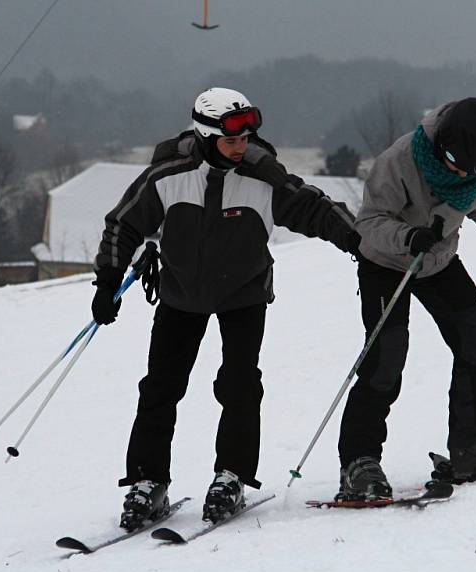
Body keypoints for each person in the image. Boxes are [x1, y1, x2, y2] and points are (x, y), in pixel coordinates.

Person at [91, 87, 360, 527]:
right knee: (160, 387)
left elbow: (316, 209)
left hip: (244, 293)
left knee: (238, 383)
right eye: (232, 140)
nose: (242, 147)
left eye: (247, 138)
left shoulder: (263, 176)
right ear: (205, 135)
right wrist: (107, 281)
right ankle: (148, 482)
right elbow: (122, 223)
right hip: (180, 294)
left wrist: (357, 241)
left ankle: (231, 476)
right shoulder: (168, 176)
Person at [336, 97, 476, 500]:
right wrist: (408, 236)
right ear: (441, 146)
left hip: (436, 260)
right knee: (387, 358)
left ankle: (472, 444)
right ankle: (358, 463)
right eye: (454, 163)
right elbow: (368, 223)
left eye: (472, 169)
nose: (461, 173)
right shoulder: (400, 160)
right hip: (386, 262)